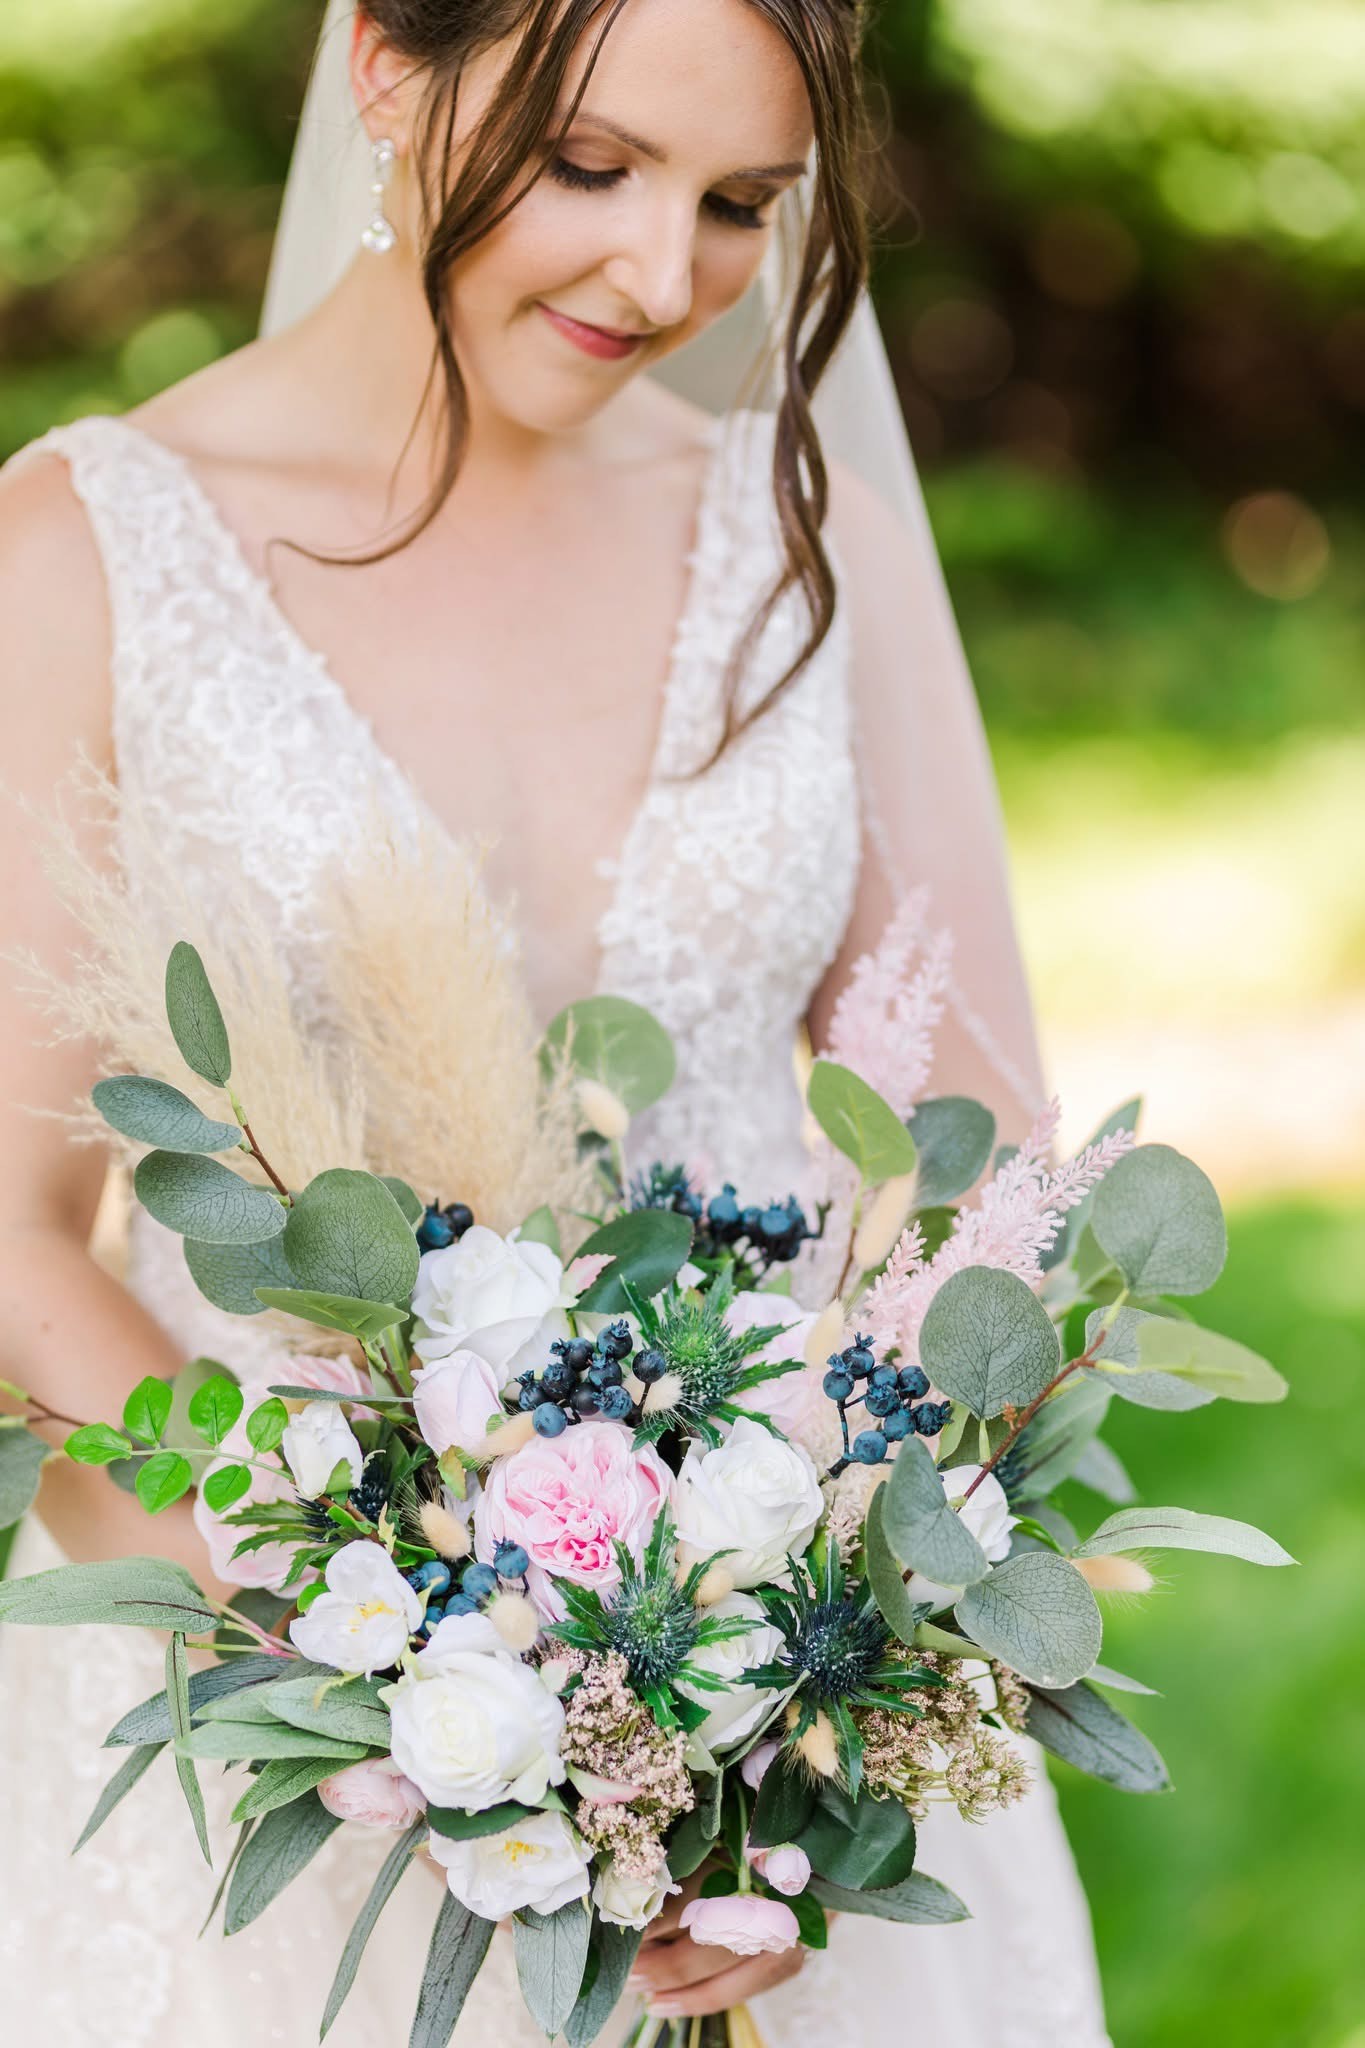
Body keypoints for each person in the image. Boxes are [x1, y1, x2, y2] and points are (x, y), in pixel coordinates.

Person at [0, 0, 1111, 2040]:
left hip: (776, 1761)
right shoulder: (81, 558)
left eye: (738, 203)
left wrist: (799, 1707)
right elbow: (7, 1241)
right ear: (383, 61)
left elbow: (982, 1163)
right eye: (590, 165)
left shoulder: (809, 545)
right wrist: (402, 1681)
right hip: (266, 1744)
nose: (659, 273)